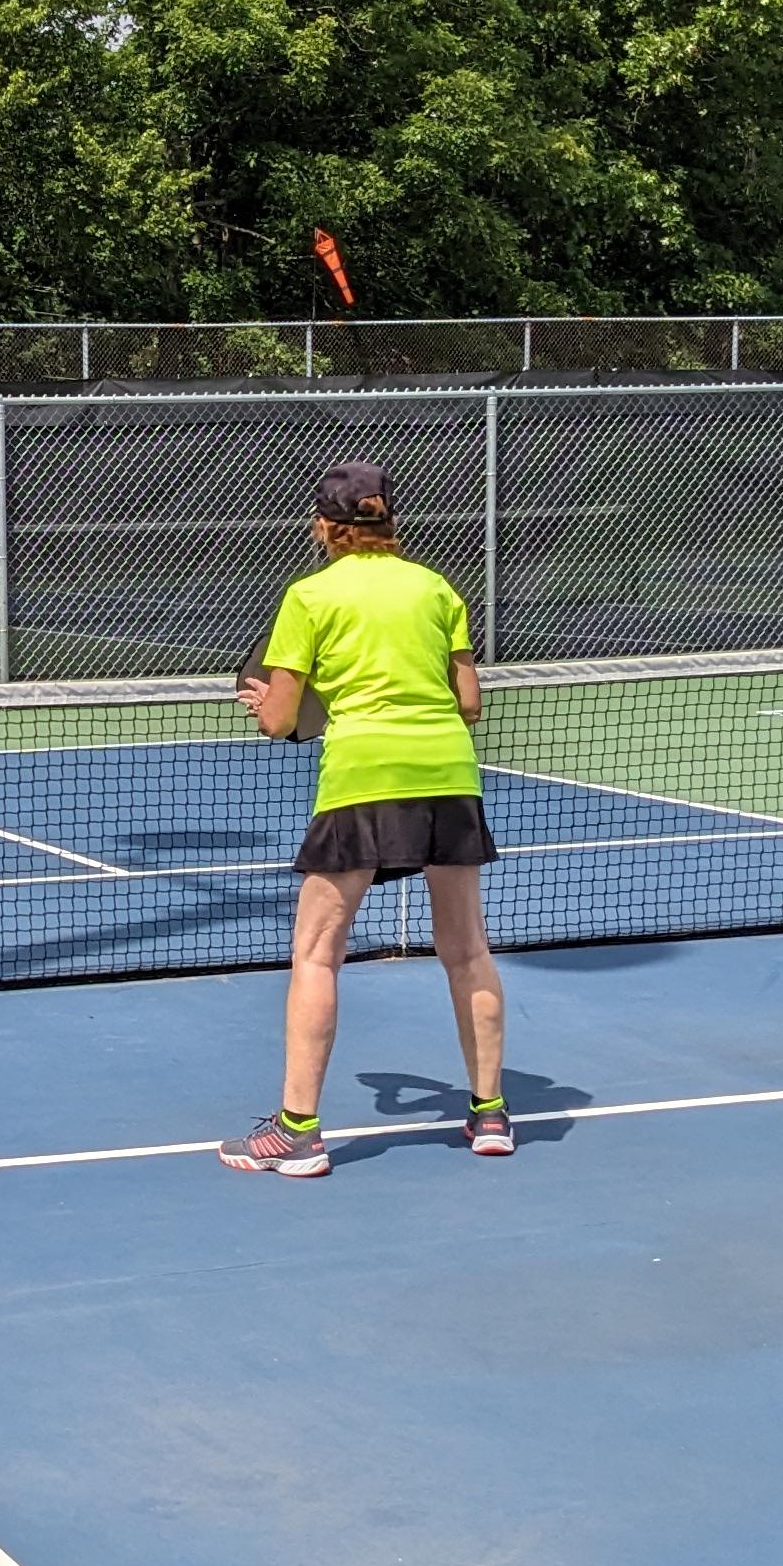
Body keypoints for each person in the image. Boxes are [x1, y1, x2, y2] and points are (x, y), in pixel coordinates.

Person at [219, 462, 510, 1175]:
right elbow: (469, 702)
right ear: (388, 521)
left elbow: (286, 718)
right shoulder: (437, 587)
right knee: (467, 948)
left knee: (317, 953)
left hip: (362, 777)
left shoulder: (310, 596)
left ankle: (297, 1133)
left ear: (326, 526)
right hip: (447, 772)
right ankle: (490, 1115)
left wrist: (266, 710)